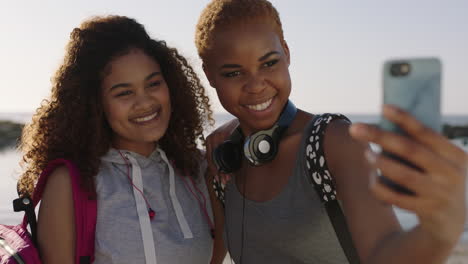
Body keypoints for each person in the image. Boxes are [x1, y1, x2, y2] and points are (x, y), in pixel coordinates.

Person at [194, 0, 468, 263]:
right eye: (233, 73)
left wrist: (439, 233)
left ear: (286, 53)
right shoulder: (222, 161)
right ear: (209, 75)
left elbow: (384, 254)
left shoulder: (333, 143)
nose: (256, 85)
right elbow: (215, 255)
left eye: (268, 63)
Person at [18, 15, 225, 264]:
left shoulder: (199, 170)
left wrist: (235, 128)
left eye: (154, 84)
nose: (145, 102)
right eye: (124, 93)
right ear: (95, 104)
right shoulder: (69, 185)